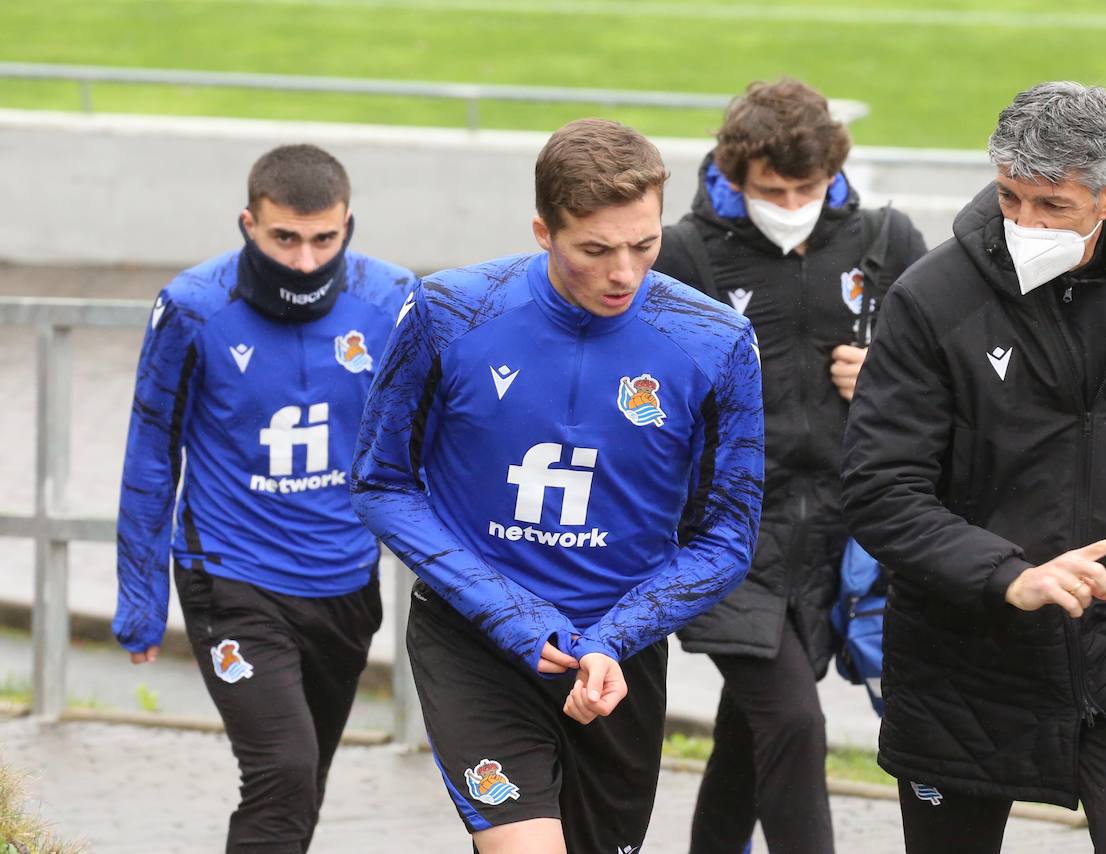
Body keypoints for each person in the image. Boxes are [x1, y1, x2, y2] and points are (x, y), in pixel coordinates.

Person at [841, 81, 1106, 853]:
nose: (1025, 222)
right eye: (1010, 197)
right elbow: (880, 489)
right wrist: (1010, 576)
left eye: (1052, 205)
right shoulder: (932, 297)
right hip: (966, 652)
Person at [350, 118, 764, 854]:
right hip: (474, 641)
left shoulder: (717, 341)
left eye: (644, 245)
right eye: (595, 250)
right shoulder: (448, 312)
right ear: (544, 231)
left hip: (616, 658)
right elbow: (381, 483)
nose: (624, 273)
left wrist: (614, 637)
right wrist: (509, 613)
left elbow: (728, 537)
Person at [113, 143, 415, 852]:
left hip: (345, 580)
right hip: (231, 577)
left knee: (302, 782)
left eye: (324, 239)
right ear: (248, 224)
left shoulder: (393, 300)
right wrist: (140, 602)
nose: (305, 262)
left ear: (348, 225)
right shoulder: (193, 307)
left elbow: (433, 437)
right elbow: (152, 450)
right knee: (282, 771)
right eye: (285, 238)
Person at [652, 77, 926, 853]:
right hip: (724, 544)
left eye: (809, 187)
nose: (792, 203)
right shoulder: (683, 254)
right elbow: (637, 398)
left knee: (753, 735)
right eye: (773, 190)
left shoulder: (886, 242)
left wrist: (888, 377)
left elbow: (948, 379)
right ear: (733, 174)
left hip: (839, 546)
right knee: (795, 723)